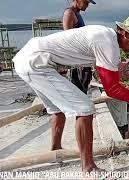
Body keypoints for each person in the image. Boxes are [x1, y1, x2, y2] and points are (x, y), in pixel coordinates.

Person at [13, 15, 129, 172]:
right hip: (37, 63)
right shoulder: (108, 43)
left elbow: (112, 81)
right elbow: (112, 89)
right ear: (125, 34)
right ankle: (88, 167)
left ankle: (55, 150)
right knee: (85, 108)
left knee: (57, 109)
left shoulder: (104, 35)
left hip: (29, 58)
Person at [48, 0, 95, 152]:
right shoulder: (69, 14)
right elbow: (68, 42)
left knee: (79, 104)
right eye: (85, 1)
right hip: (77, 67)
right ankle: (77, 148)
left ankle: (60, 146)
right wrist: (78, 63)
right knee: (81, 107)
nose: (87, 4)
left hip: (82, 65)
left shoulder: (77, 15)